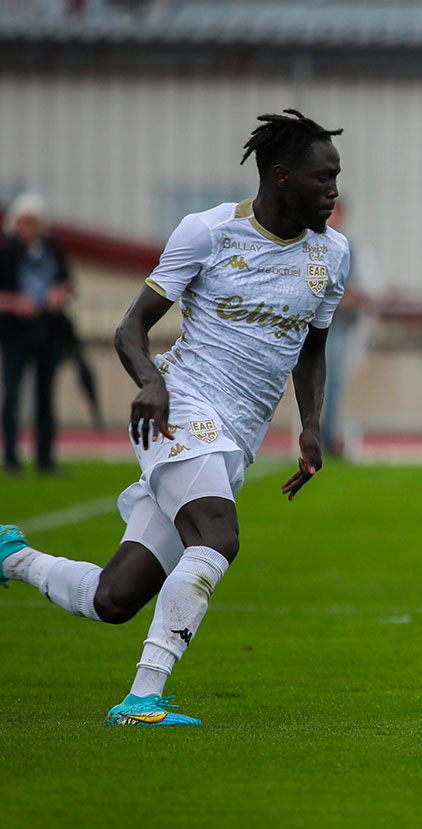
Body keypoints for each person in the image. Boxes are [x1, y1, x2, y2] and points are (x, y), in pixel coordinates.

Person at [0, 109, 350, 726]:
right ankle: (143, 700)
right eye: (323, 178)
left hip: (234, 438)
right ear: (280, 176)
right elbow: (129, 327)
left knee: (114, 597)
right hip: (183, 407)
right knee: (218, 537)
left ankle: (13, 558)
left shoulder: (333, 254)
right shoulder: (208, 232)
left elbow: (313, 345)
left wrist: (311, 425)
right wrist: (153, 385)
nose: (334, 191)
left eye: (337, 178)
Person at [0, 193, 72, 474]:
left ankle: (45, 459)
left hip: (48, 330)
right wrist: (16, 303)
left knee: (46, 396)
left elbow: (67, 281)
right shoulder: (6, 252)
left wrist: (58, 293)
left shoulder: (52, 248)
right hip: (16, 333)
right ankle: (12, 458)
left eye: (33, 221)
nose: (28, 227)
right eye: (23, 221)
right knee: (13, 395)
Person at [319, 199, 374, 458]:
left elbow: (364, 289)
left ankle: (327, 435)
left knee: (332, 381)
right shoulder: (310, 244)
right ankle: (320, 433)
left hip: (337, 324)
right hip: (311, 325)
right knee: (319, 380)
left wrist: (348, 297)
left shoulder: (348, 247)